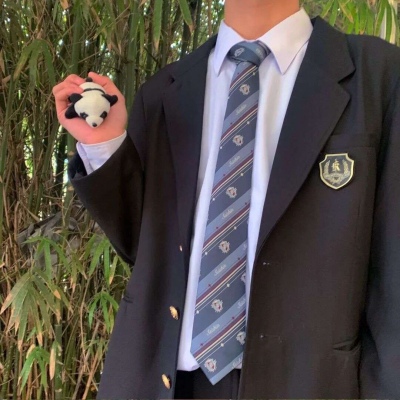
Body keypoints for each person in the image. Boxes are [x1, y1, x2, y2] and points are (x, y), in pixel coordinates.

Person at [52, 0, 400, 398]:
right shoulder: (166, 90)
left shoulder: (379, 78)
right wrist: (105, 145)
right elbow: (146, 248)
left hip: (308, 381)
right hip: (167, 380)